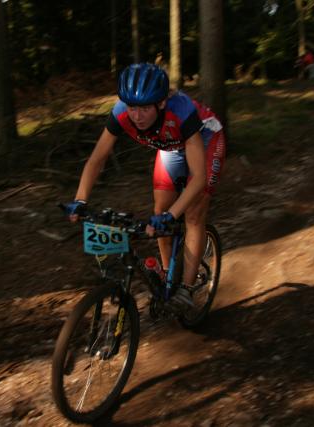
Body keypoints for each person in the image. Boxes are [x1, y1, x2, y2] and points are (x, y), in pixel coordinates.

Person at [65, 63, 225, 310]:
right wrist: (80, 199)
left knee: (192, 214)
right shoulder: (121, 113)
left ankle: (185, 289)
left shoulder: (181, 111)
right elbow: (97, 159)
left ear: (161, 103)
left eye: (144, 108)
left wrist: (174, 215)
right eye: (132, 108)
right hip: (170, 147)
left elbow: (198, 178)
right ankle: (167, 277)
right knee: (159, 212)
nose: (137, 116)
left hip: (205, 138)